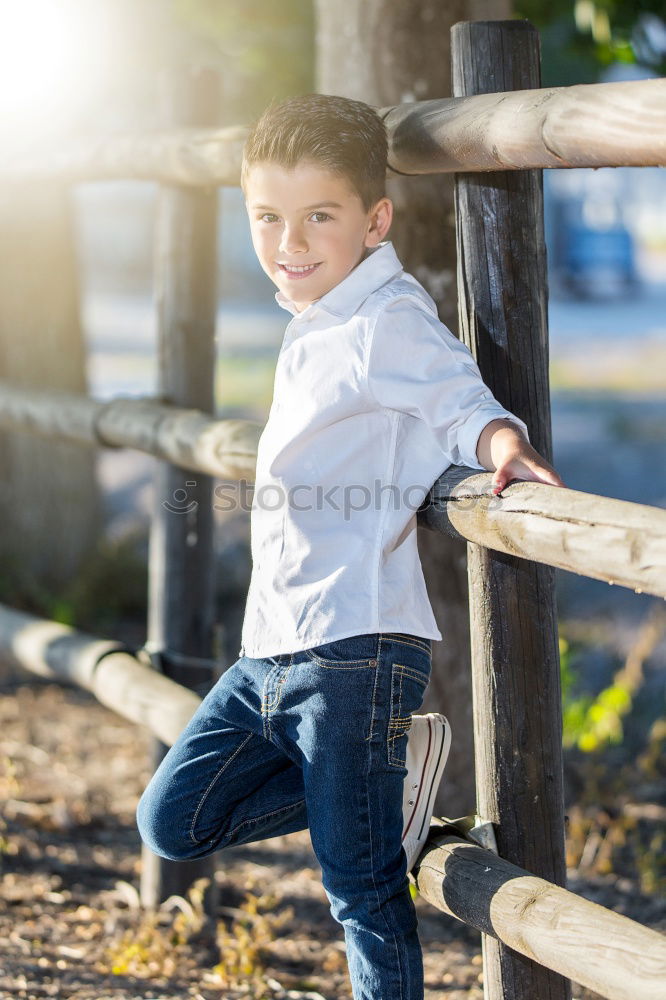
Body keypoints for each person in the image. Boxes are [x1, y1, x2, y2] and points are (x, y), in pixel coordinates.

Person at [137, 93, 564, 1000]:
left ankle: (374, 783)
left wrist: (501, 443)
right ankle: (387, 773)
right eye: (267, 216)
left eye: (318, 216)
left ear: (376, 219)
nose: (289, 240)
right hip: (271, 652)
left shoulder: (384, 319)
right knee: (172, 820)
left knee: (360, 889)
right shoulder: (318, 317)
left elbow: (458, 395)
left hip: (354, 647)